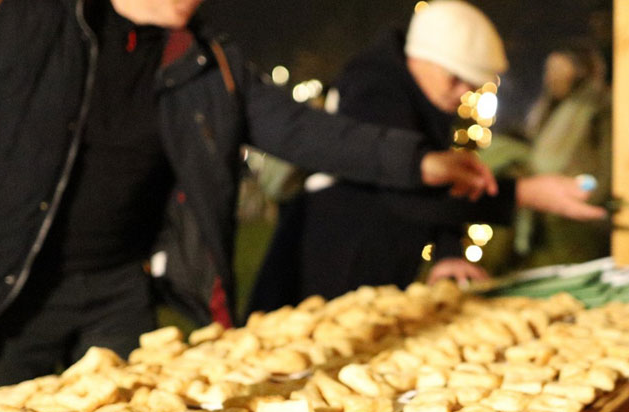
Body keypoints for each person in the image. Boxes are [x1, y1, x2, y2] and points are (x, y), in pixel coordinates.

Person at [0, 0, 498, 388]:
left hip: (118, 291)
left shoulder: (207, 61)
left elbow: (302, 130)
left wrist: (419, 162)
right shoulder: (22, 18)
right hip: (11, 292)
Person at [251, 0, 605, 309]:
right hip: (325, 270)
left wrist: (448, 253)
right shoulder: (373, 88)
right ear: (421, 58)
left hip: (375, 268)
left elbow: (438, 181)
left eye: (471, 84)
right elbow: (408, 192)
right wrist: (523, 194)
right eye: (455, 78)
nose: (463, 93)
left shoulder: (424, 96)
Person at [515, 48, 614, 267]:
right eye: (549, 70)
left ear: (580, 72)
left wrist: (589, 198)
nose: (551, 77)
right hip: (542, 215)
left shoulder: (597, 107)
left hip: (577, 218)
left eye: (559, 70)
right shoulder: (546, 108)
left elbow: (609, 165)